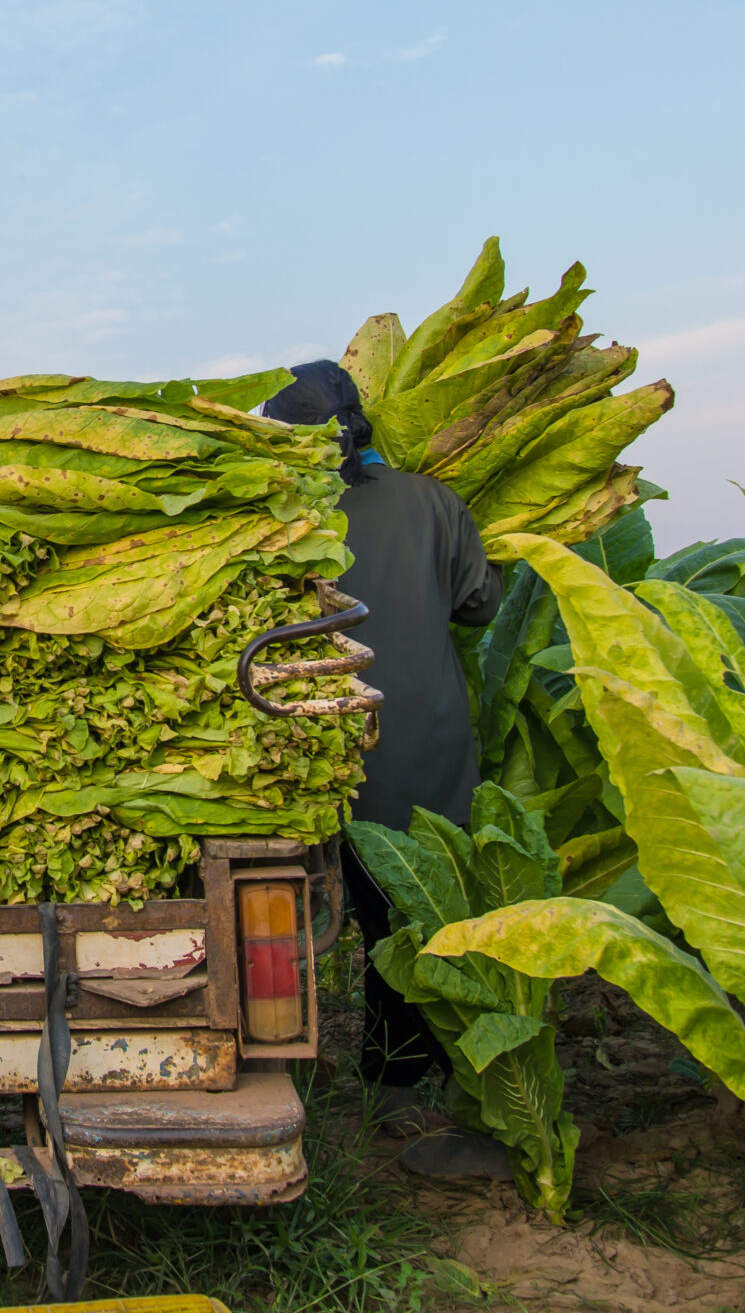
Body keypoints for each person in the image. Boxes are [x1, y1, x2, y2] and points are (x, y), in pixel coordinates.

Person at [261, 359, 513, 1182]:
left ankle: (287, 1069)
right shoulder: (433, 500)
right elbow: (480, 605)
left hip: (296, 741)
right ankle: (399, 1082)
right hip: (415, 738)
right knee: (409, 918)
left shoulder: (276, 519)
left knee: (290, 914)